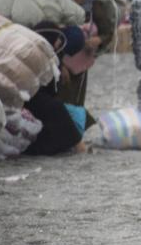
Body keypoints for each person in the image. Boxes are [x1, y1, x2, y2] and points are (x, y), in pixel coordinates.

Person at [24, 25, 93, 156]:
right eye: (58, 41)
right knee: (57, 110)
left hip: (32, 98)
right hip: (30, 99)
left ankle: (77, 145)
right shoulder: (40, 57)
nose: (59, 45)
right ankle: (79, 146)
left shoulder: (46, 55)